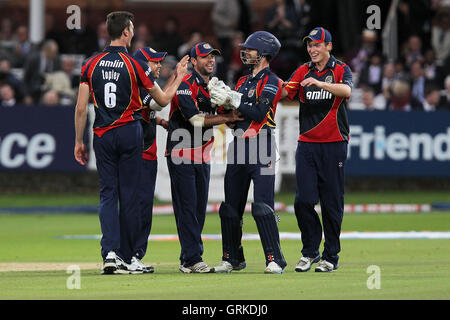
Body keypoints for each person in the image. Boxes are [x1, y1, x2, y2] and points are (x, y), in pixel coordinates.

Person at [73, 11, 189, 275]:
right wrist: (179, 75)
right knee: (129, 196)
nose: (134, 32)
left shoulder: (90, 64)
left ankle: (110, 254)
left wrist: (79, 140)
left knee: (107, 194)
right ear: (125, 32)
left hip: (101, 133)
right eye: (132, 29)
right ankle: (126, 256)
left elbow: (81, 108)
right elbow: (161, 100)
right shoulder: (136, 65)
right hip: (128, 132)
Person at [208, 31, 287, 274]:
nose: (245, 52)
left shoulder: (273, 80)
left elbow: (259, 114)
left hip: (262, 144)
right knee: (230, 207)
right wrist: (223, 104)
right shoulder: (242, 81)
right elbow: (238, 118)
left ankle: (274, 259)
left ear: (263, 54)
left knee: (263, 206)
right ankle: (231, 258)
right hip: (238, 144)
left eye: (250, 49)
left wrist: (234, 99)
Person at [165, 42, 242, 273]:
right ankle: (192, 259)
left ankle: (187, 259)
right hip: (181, 154)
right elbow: (196, 121)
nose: (211, 60)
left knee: (197, 209)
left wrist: (230, 109)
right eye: (205, 57)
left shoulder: (214, 86)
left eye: (213, 57)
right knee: (188, 208)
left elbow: (221, 116)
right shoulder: (185, 84)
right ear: (193, 61)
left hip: (202, 154)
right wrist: (228, 118)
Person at [282, 27, 353, 272]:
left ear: (328, 47)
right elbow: (286, 91)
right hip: (307, 145)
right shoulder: (302, 70)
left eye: (317, 45)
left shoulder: (340, 69)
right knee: (303, 201)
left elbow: (347, 91)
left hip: (334, 144)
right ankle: (309, 251)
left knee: (332, 203)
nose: (312, 49)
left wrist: (321, 83)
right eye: (309, 45)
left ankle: (330, 257)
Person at [131, 46, 171, 273]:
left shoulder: (137, 82)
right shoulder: (140, 81)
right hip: (142, 152)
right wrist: (177, 78)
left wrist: (156, 122)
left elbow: (143, 111)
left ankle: (125, 252)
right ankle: (133, 254)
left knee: (139, 205)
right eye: (154, 62)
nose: (159, 66)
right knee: (141, 205)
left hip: (145, 149)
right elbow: (157, 102)